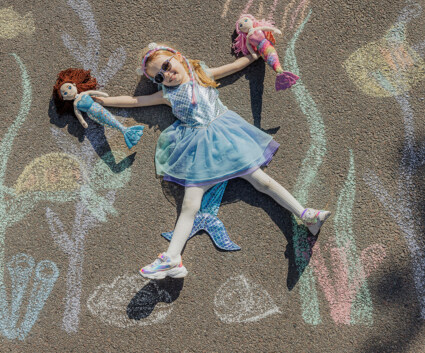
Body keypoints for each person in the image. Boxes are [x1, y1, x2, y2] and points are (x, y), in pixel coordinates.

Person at [94, 43, 331, 279]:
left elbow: (234, 67)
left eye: (166, 65)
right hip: (199, 149)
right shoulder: (167, 95)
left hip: (228, 137)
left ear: (178, 56)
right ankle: (172, 258)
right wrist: (100, 102)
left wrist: (256, 54)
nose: (166, 74)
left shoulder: (202, 74)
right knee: (190, 205)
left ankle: (305, 215)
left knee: (262, 182)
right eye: (159, 76)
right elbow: (135, 101)